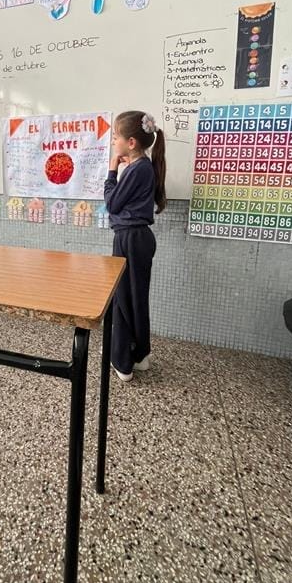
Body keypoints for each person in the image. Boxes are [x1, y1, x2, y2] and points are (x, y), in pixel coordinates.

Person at [104, 111, 167, 382]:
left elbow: (112, 203)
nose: (112, 142)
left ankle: (123, 362)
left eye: (115, 136)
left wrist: (112, 170)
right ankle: (140, 355)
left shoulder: (136, 168)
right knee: (136, 298)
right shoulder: (142, 166)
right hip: (138, 238)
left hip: (129, 239)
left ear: (131, 143)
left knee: (123, 299)